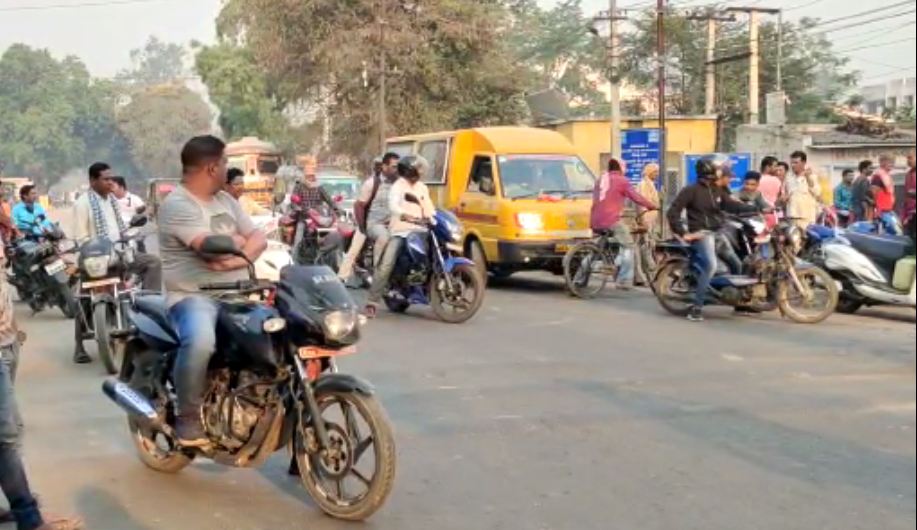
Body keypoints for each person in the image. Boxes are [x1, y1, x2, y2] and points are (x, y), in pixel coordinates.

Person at [159, 135, 267, 446]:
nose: (226, 170)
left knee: (278, 334)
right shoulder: (177, 204)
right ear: (210, 168)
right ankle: (187, 416)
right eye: (224, 164)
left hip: (235, 293)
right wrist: (236, 247)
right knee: (202, 341)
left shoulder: (227, 201)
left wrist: (236, 253)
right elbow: (210, 250)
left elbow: (257, 238)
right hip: (193, 295)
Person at [1, 245, 84, 530]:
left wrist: (12, 332)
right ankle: (29, 518)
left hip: (7, 340)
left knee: (12, 431)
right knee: (6, 436)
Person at [72, 163, 163, 364]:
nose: (110, 182)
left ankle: (150, 314)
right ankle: (79, 345)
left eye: (111, 178)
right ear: (93, 181)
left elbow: (122, 229)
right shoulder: (83, 203)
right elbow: (80, 237)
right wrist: (95, 252)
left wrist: (124, 242)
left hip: (120, 252)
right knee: (84, 296)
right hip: (95, 257)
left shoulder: (112, 201)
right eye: (105, 179)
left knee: (153, 263)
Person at [666, 158, 758, 322]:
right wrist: (684, 233)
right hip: (701, 234)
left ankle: (738, 302)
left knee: (737, 263)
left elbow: (731, 205)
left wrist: (757, 208)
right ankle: (696, 308)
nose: (720, 172)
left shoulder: (717, 190)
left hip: (717, 233)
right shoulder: (691, 190)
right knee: (710, 266)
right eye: (717, 169)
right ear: (709, 171)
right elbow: (672, 213)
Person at [364, 155, 436, 318]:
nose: (421, 171)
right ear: (410, 170)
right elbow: (393, 205)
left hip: (421, 230)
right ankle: (372, 302)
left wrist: (434, 217)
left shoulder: (422, 187)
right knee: (386, 265)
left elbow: (429, 207)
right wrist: (404, 214)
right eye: (418, 168)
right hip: (402, 231)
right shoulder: (398, 186)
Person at [590, 158, 658, 289]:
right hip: (611, 219)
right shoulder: (622, 181)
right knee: (629, 246)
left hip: (595, 219)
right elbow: (636, 197)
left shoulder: (600, 180)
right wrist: (651, 205)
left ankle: (579, 278)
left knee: (594, 251)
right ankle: (623, 280)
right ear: (620, 169)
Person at [339, 153, 400, 283]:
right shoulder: (371, 183)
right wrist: (362, 227)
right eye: (393, 167)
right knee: (354, 249)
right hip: (369, 222)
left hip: (391, 223)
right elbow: (359, 206)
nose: (396, 170)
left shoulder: (398, 183)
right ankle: (342, 276)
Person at [783, 151, 821, 229]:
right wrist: (784, 198)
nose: (793, 165)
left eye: (796, 163)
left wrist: (807, 177)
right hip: (792, 216)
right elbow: (785, 193)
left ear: (803, 163)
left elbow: (817, 193)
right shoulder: (788, 177)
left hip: (806, 218)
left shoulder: (812, 176)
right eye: (792, 163)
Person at [904, 150, 916, 220]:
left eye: (910, 158)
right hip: (909, 214)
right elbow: (906, 196)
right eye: (907, 158)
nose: (908, 161)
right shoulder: (908, 174)